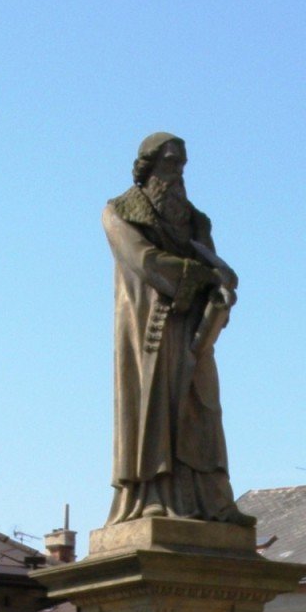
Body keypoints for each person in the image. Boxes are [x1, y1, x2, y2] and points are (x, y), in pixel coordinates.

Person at [102, 133, 253, 525]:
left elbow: (214, 268)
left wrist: (220, 289)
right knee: (155, 408)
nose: (177, 173)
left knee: (203, 406)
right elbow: (147, 261)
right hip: (149, 328)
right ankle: (152, 496)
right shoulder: (119, 212)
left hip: (194, 327)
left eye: (182, 165)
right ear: (148, 167)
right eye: (170, 163)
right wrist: (202, 275)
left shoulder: (196, 221)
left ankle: (211, 501)